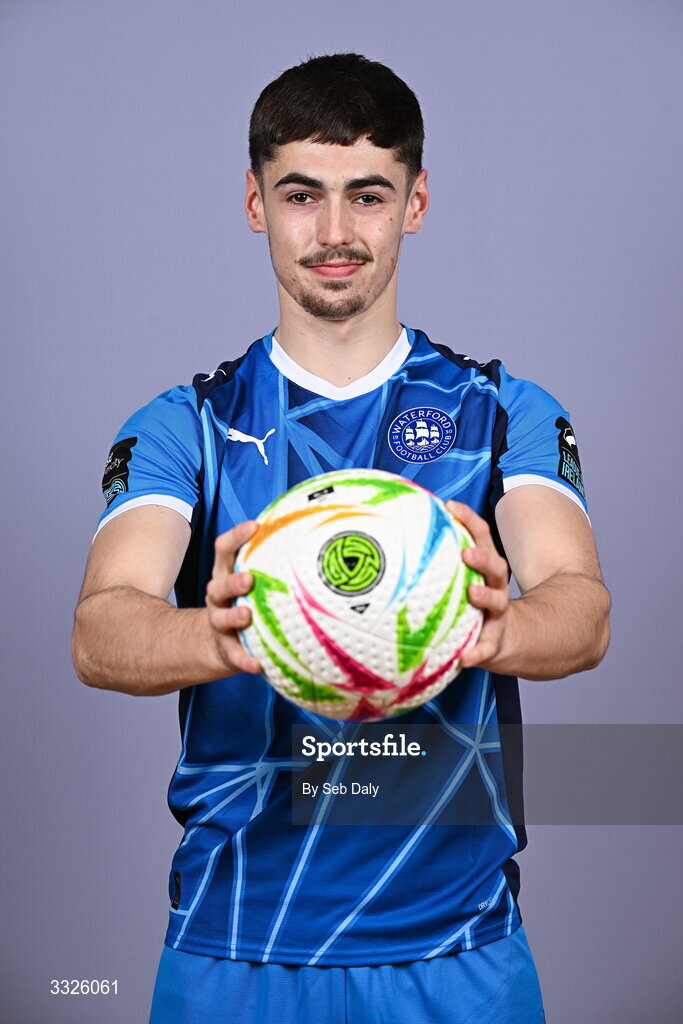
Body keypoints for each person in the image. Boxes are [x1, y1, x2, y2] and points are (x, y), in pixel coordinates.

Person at [72, 53, 610, 1024]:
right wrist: (223, 635)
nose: (331, 233)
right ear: (253, 203)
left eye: (366, 195)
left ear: (414, 201)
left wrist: (494, 632)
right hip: (234, 943)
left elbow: (580, 606)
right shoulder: (184, 426)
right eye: (299, 195)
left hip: (455, 946)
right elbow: (102, 627)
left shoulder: (499, 412)